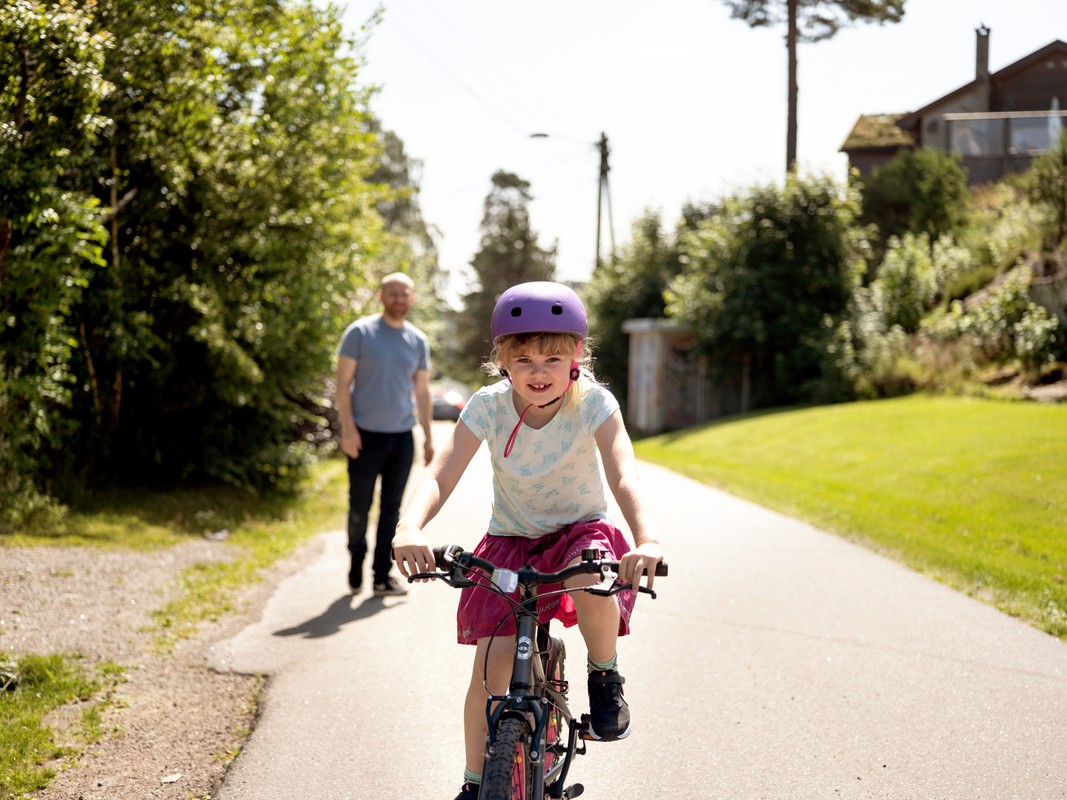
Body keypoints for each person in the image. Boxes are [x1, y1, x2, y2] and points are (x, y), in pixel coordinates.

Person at [392, 281, 664, 800]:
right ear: (502, 361)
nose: (538, 372)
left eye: (552, 358)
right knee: (491, 676)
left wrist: (647, 539)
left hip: (577, 532)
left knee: (594, 569)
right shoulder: (488, 407)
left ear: (577, 356)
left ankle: (604, 675)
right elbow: (440, 474)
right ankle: (476, 783)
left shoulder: (594, 404)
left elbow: (624, 474)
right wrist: (410, 528)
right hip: (511, 540)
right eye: (524, 360)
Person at [336, 272, 434, 596]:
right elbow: (342, 384)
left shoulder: (417, 340)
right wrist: (348, 429)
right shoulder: (360, 333)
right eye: (392, 294)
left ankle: (381, 575)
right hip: (365, 436)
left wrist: (429, 436)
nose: (398, 299)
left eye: (404, 294)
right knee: (359, 506)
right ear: (381, 297)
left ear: (412, 298)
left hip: (402, 438)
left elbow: (422, 391)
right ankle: (355, 561)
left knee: (391, 509)